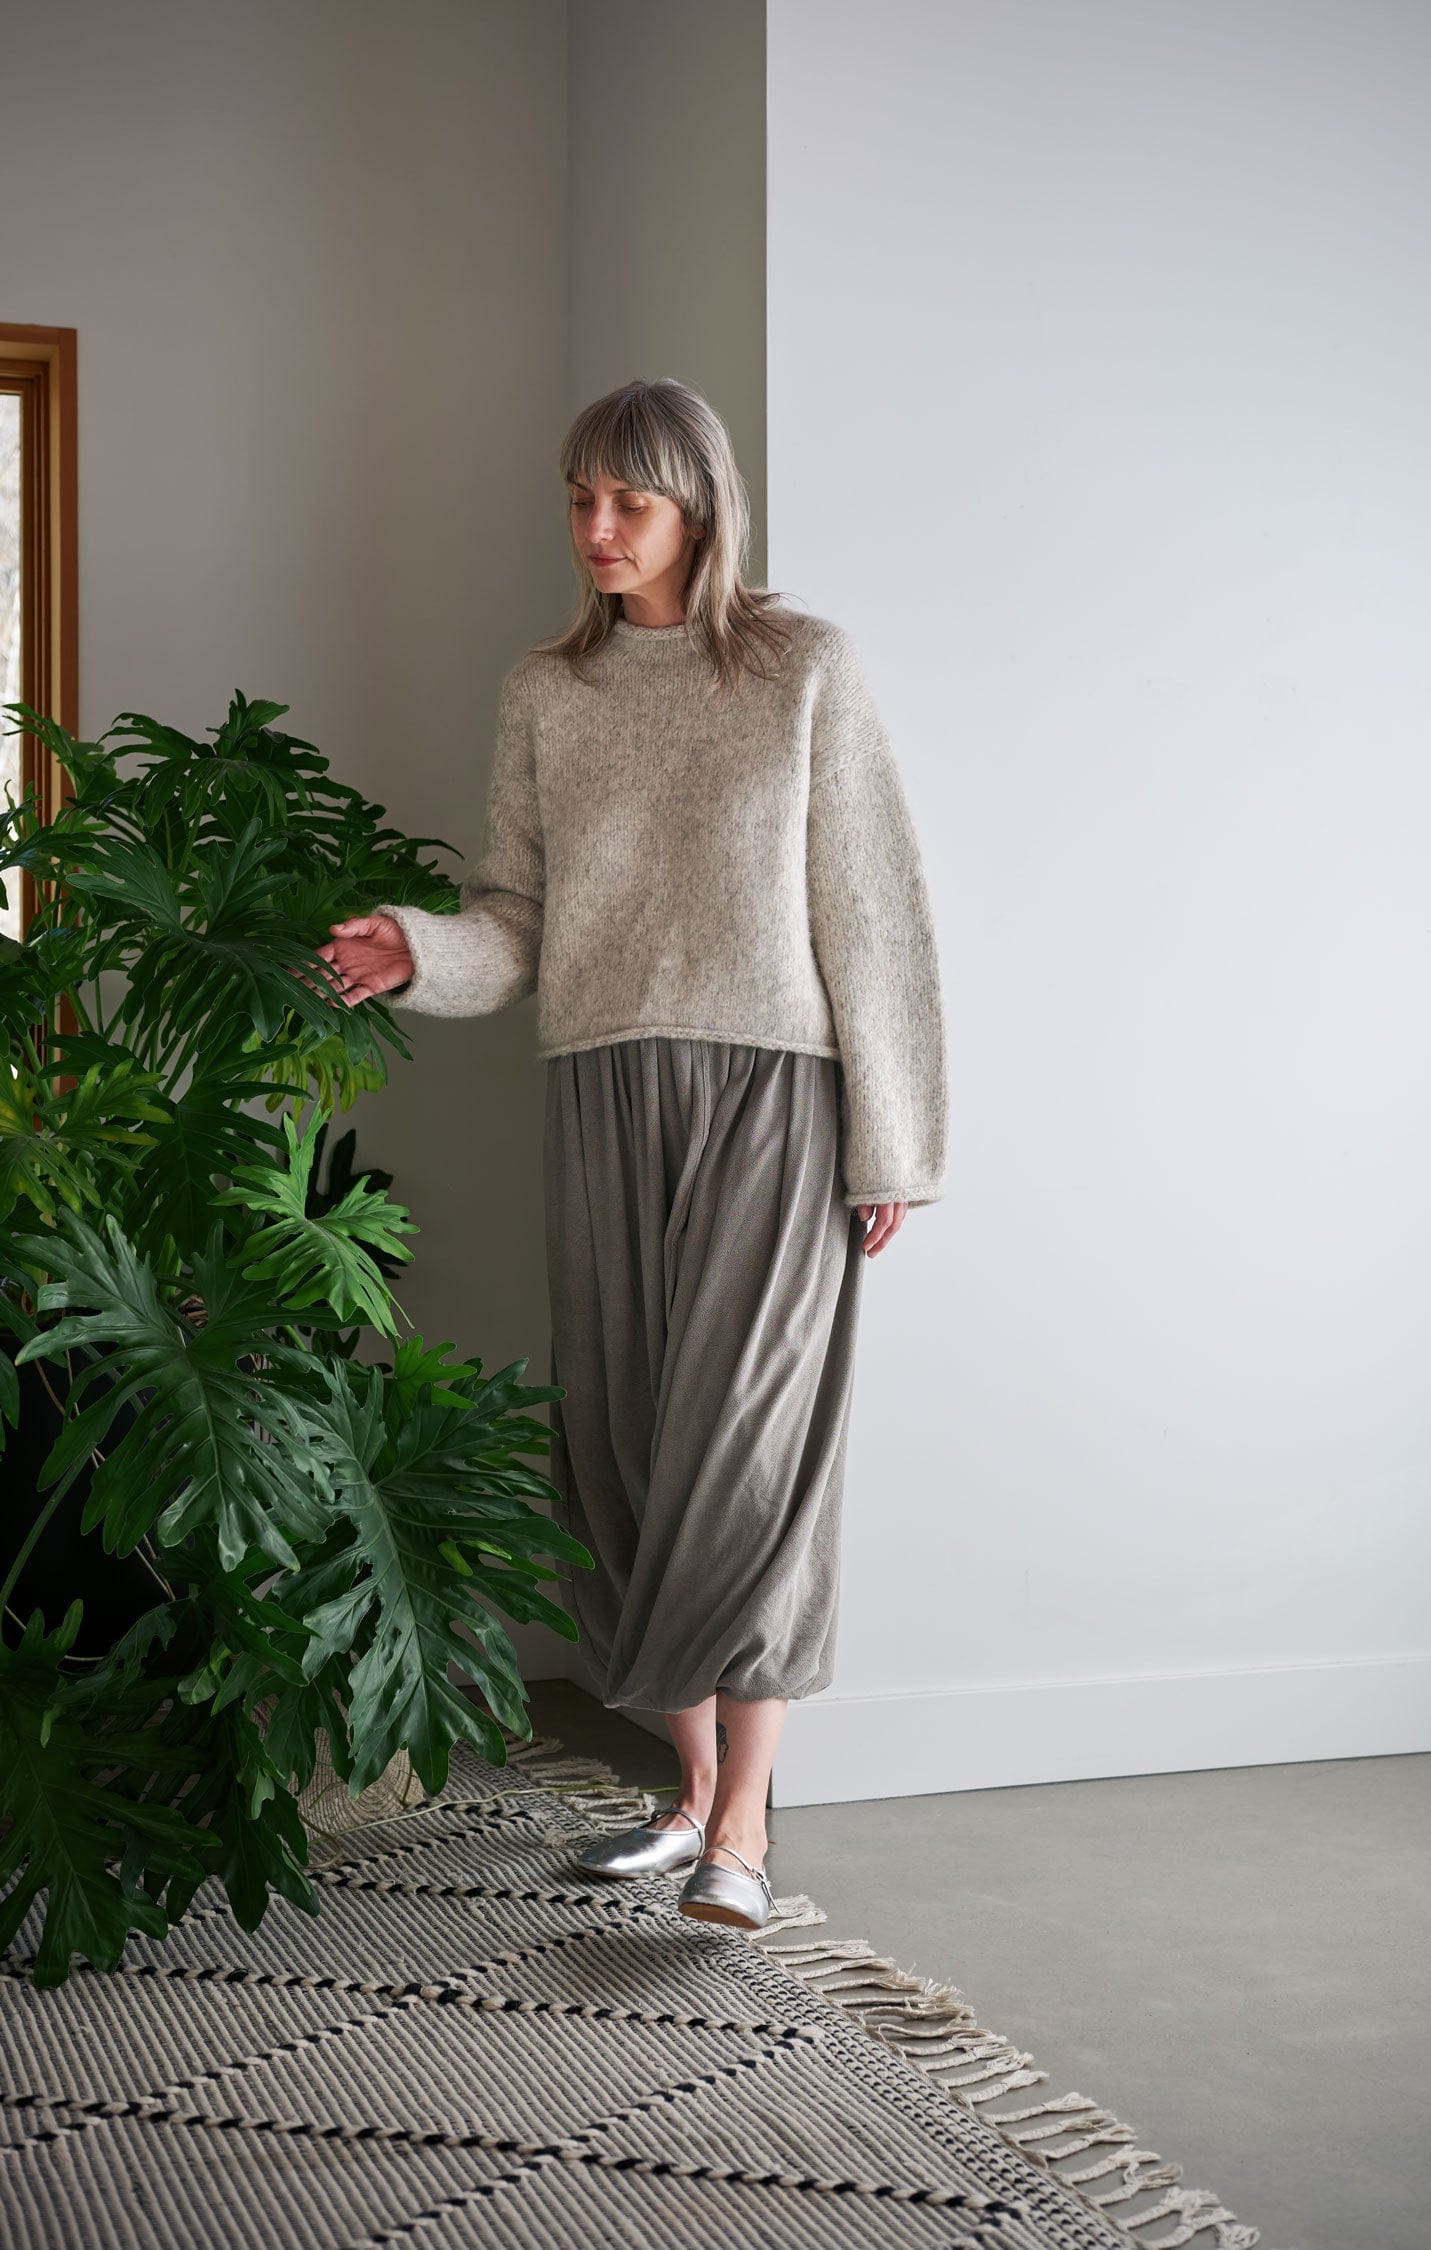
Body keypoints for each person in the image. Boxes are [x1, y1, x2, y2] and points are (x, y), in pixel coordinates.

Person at [317, 376, 948, 1931]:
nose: (598, 531)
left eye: (631, 503)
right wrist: (420, 947)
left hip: (771, 1098)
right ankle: (685, 1793)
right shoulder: (550, 692)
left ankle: (744, 1822)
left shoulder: (804, 668)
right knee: (621, 1457)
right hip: (600, 1091)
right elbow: (516, 920)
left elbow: (872, 913)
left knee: (745, 1461)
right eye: (581, 501)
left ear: (700, 509)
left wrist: (894, 1142)